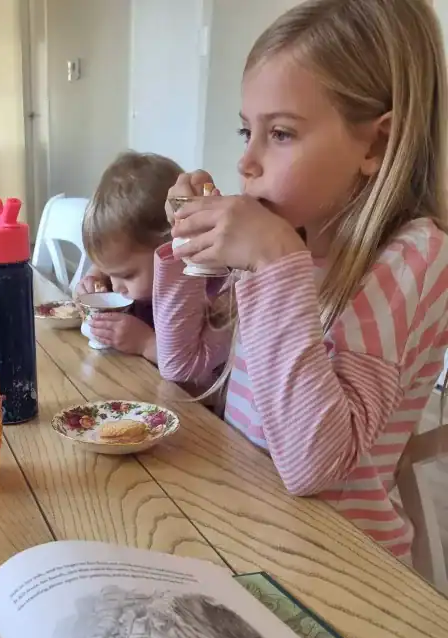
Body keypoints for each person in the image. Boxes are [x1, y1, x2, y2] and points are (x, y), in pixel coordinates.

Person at [156, 0, 448, 562]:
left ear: (377, 145)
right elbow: (183, 369)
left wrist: (273, 264)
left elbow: (315, 466)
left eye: (281, 133)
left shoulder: (415, 257)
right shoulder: (292, 241)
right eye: (247, 130)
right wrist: (185, 254)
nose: (247, 162)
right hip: (248, 523)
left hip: (336, 564)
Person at [77, 151, 183, 363]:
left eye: (127, 274)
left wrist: (146, 343)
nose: (117, 287)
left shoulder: (199, 297)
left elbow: (195, 369)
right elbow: (108, 267)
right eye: (111, 273)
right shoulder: (128, 279)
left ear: (172, 247)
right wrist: (92, 279)